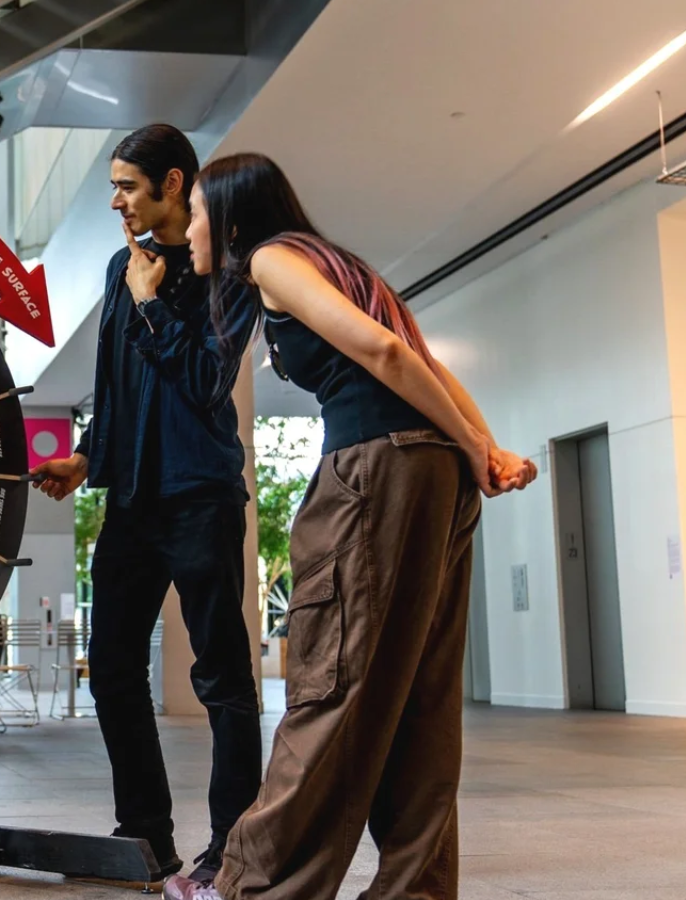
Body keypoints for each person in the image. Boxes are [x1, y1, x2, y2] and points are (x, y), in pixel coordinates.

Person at [161, 153, 538, 900]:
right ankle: (416, 889)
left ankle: (255, 890)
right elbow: (423, 359)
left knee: (332, 683)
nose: (190, 229)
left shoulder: (273, 259)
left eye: (198, 212)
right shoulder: (344, 264)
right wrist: (480, 449)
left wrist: (478, 447)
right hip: (434, 472)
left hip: (377, 470)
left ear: (233, 218)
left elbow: (387, 353)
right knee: (421, 697)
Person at [30, 125, 262, 884]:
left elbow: (202, 382)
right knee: (112, 671)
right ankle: (145, 836)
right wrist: (88, 455)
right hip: (132, 503)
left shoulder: (228, 270)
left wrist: (153, 304)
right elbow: (120, 384)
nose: (114, 200)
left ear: (171, 183)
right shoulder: (117, 269)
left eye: (126, 185)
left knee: (222, 678)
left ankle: (234, 842)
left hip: (200, 496)